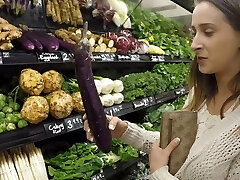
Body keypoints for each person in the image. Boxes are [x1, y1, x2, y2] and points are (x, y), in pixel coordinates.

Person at [84, 0, 240, 179]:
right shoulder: (199, 95)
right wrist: (122, 130)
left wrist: (159, 174)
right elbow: (175, 145)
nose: (193, 44)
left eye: (208, 32)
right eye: (194, 32)